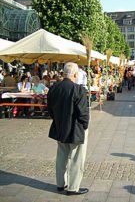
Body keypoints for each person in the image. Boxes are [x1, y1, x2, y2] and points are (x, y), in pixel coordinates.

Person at [48, 62, 89, 195]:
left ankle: (61, 183)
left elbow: (50, 109)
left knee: (61, 156)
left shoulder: (54, 88)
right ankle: (73, 187)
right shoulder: (78, 89)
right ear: (75, 75)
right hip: (75, 129)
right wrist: (85, 126)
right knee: (76, 158)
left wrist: (57, 119)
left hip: (60, 127)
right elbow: (83, 113)